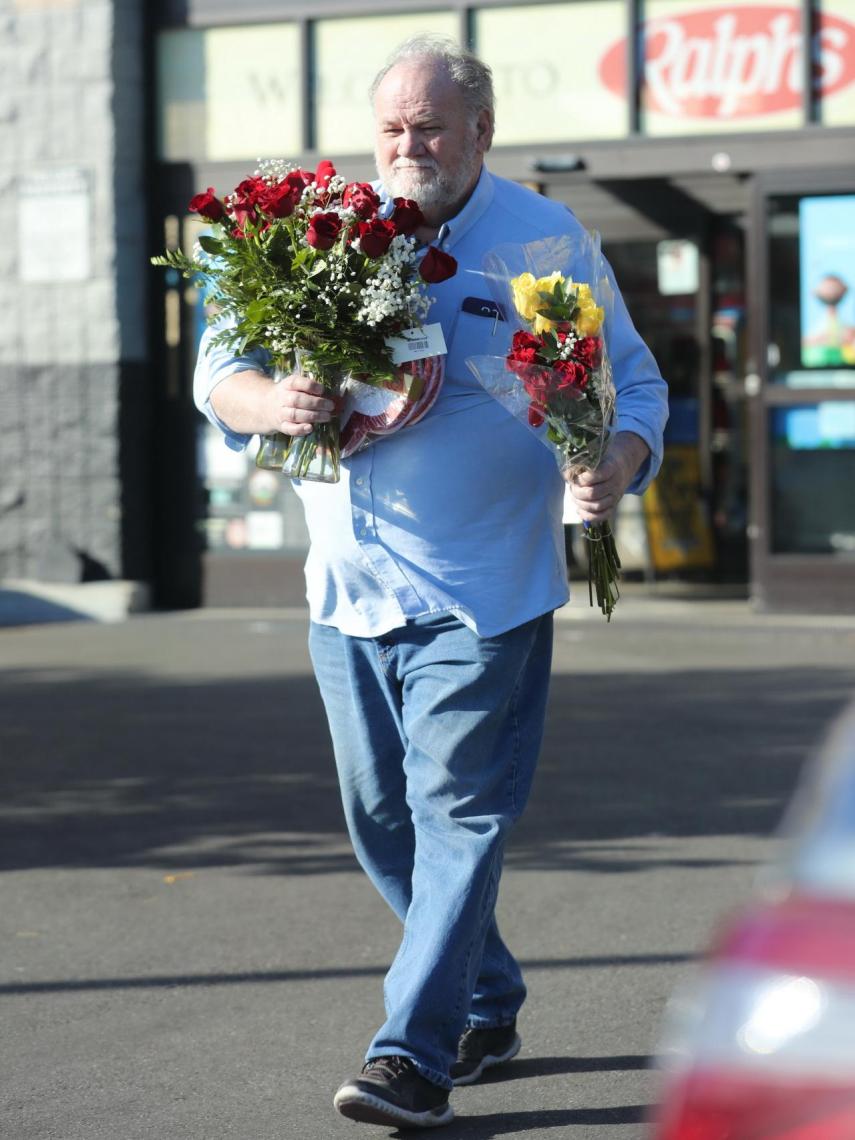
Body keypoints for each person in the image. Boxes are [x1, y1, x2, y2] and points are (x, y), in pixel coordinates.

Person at [194, 35, 668, 1130]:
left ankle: (412, 1054)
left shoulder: (545, 239)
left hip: (483, 592)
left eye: (433, 128)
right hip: (347, 587)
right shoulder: (321, 235)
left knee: (457, 812)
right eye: (394, 130)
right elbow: (223, 369)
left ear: (481, 133)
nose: (410, 147)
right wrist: (277, 406)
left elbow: (630, 387)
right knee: (381, 824)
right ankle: (486, 997)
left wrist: (612, 463)